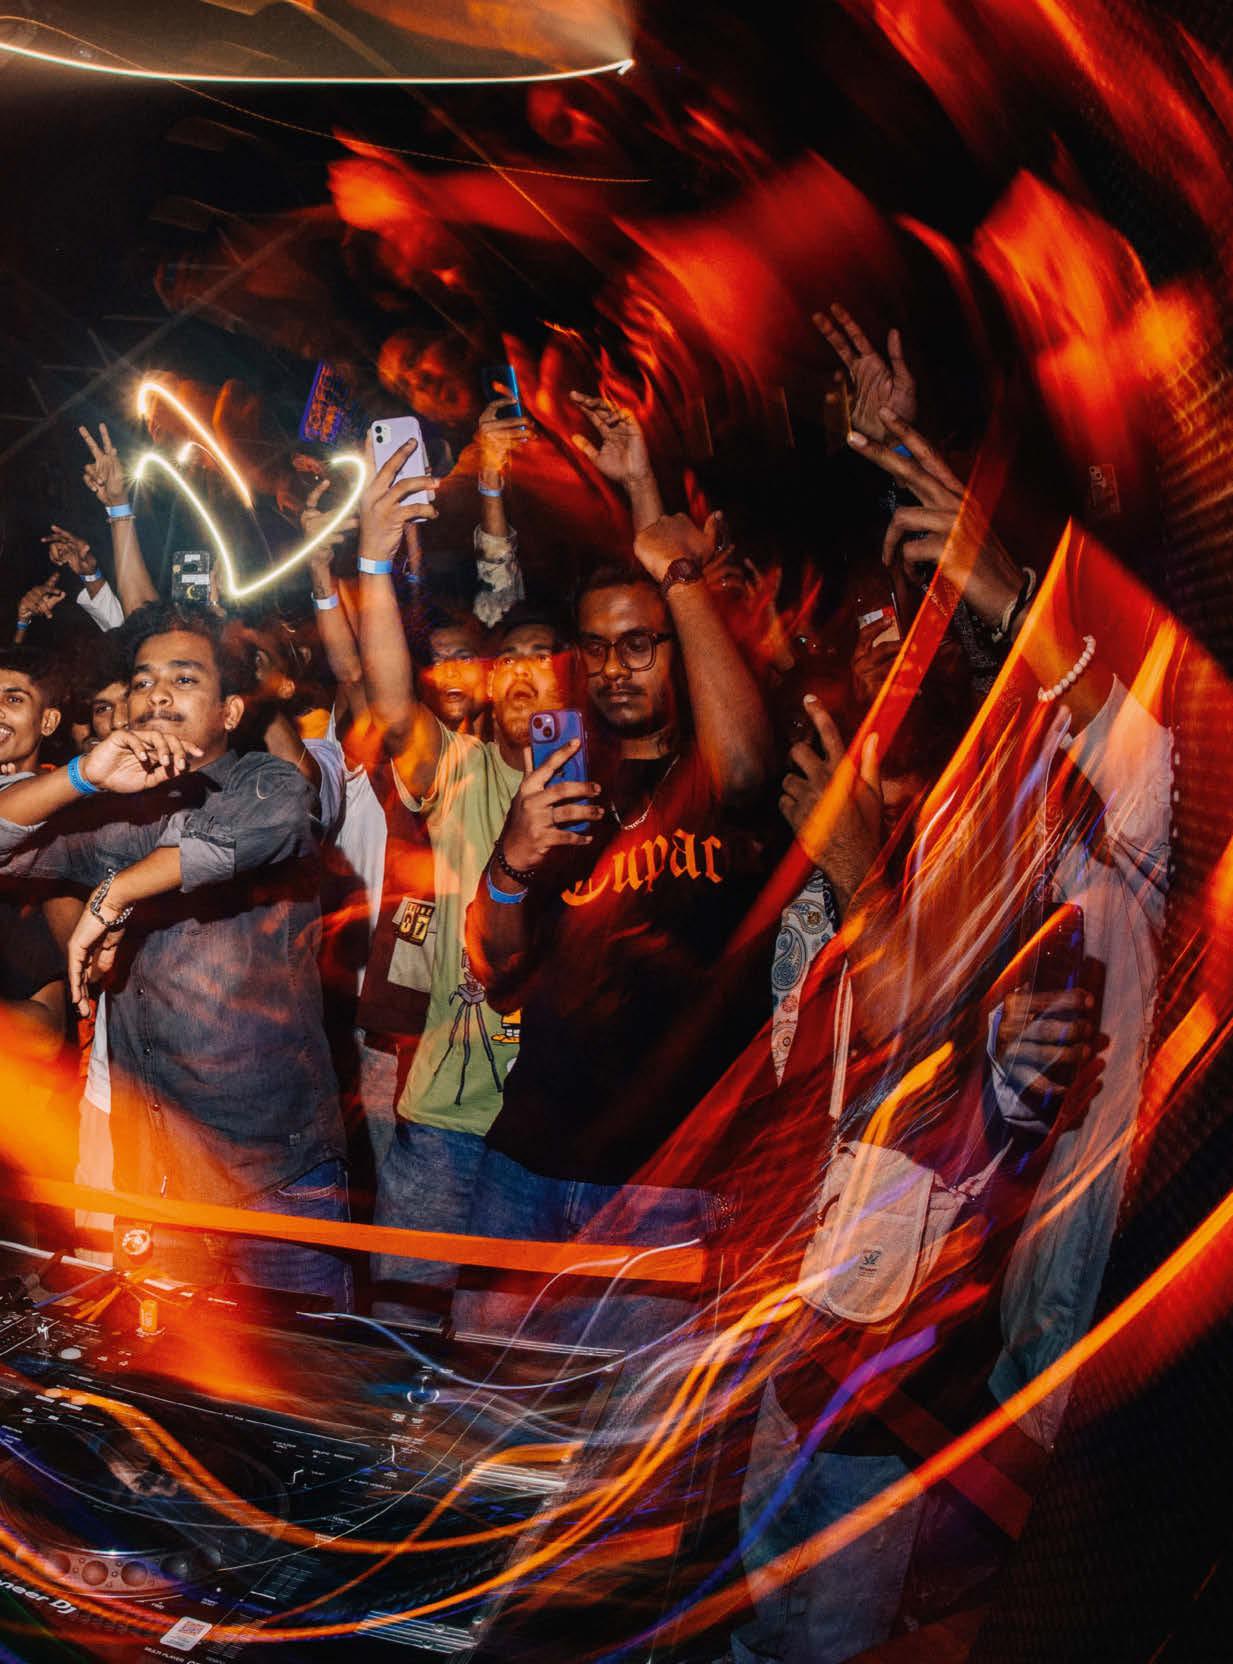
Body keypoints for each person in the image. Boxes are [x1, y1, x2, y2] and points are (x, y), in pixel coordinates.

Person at [729, 408, 1172, 1664]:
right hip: (818, 1322)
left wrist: (1009, 593)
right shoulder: (924, 821)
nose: (905, 654)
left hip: (942, 1361)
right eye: (893, 629)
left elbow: (1133, 770)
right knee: (758, 1626)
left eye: (934, 622)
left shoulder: (1094, 838)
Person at [455, 510, 774, 1351]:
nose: (612, 668)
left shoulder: (724, 774)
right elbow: (494, 968)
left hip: (668, 1184)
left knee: (637, 1424)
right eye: (594, 648)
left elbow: (746, 767)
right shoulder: (563, 778)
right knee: (480, 1402)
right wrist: (511, 860)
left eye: (638, 645)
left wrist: (681, 576)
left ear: (683, 646)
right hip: (525, 1165)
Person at [0, 600, 351, 1307]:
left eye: (184, 679)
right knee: (165, 1370)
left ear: (228, 711)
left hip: (276, 1175)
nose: (157, 694)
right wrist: (81, 776)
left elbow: (271, 827)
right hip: (157, 1181)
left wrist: (117, 893)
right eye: (142, 680)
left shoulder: (266, 780)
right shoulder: (108, 813)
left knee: (307, 1364)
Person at [354, 438, 571, 1321]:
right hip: (446, 1117)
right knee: (406, 1337)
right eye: (507, 657)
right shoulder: (461, 769)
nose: (521, 671)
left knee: (518, 1357)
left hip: (555, 1131)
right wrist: (373, 565)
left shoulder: (617, 792)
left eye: (543, 655)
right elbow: (391, 706)